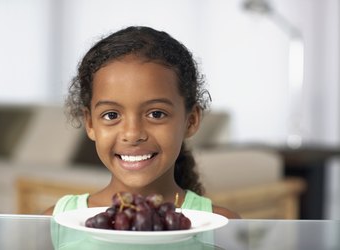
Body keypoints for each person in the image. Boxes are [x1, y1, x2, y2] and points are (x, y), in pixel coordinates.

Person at [44, 26, 240, 219]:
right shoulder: (57, 221)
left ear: (191, 121)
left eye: (156, 114)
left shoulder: (220, 226)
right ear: (90, 124)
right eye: (111, 115)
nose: (132, 133)